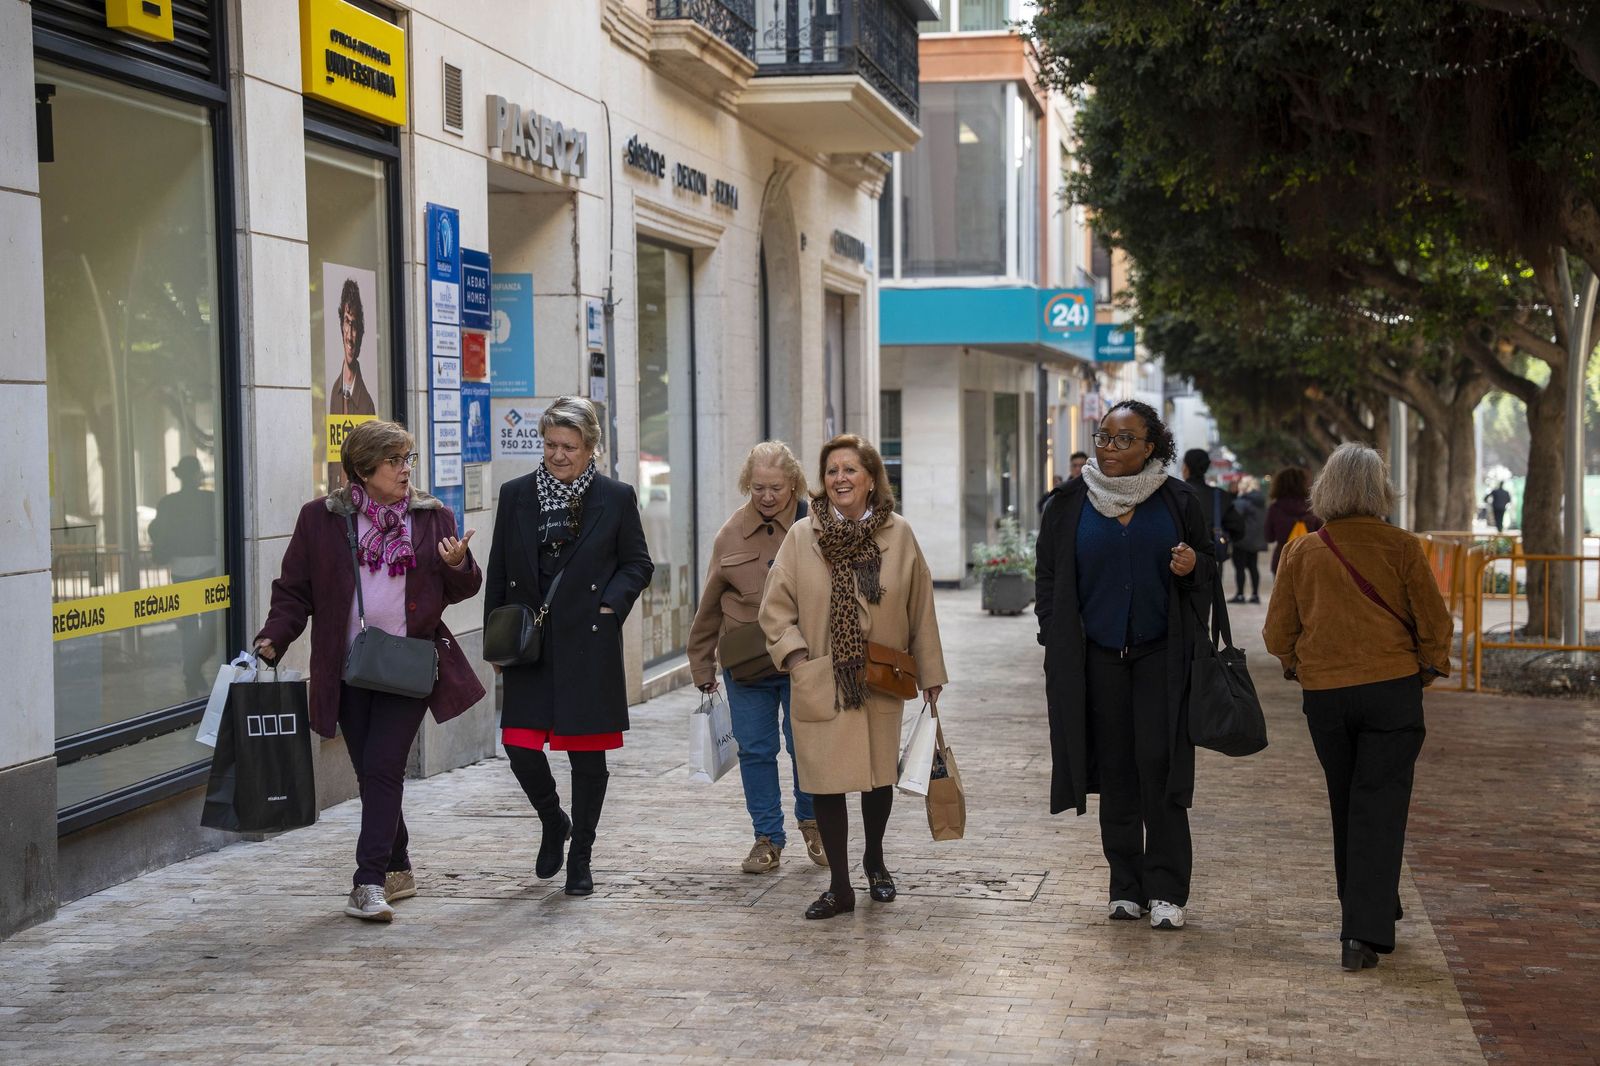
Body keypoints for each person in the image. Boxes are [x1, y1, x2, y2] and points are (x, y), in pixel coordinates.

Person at [254, 420, 484, 922]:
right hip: (349, 668)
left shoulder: (432, 516)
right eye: (394, 461)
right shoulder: (321, 519)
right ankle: (398, 866)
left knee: (383, 767)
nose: (405, 470)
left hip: (408, 665)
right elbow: (294, 589)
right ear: (362, 470)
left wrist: (457, 565)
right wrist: (274, 637)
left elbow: (462, 589)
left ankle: (368, 882)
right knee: (372, 772)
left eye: (408, 459)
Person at [1263, 443, 1453, 972]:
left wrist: (1300, 666)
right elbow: (1436, 624)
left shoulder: (1302, 552)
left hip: (1326, 696)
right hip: (1392, 688)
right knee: (1380, 803)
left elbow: (1277, 632)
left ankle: (1371, 905)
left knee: (1347, 800)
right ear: (1380, 489)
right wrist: (1425, 670)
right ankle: (1362, 932)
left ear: (1326, 489)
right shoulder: (1402, 547)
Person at [1036, 401, 1215, 931]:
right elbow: (1049, 576)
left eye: (1123, 439)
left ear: (1150, 446)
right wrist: (1053, 629)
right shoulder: (1069, 503)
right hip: (1097, 660)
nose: (1108, 448)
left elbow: (1209, 568)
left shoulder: (1179, 501)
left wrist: (1193, 566)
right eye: (1103, 437)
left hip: (1161, 657)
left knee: (1160, 768)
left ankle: (1167, 890)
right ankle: (1125, 887)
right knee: (1115, 772)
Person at [760, 434, 947, 920]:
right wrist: (797, 659)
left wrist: (930, 671)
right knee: (824, 783)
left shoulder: (899, 534)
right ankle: (840, 886)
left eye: (849, 470)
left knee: (876, 778)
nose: (839, 479)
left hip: (881, 675)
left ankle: (875, 861)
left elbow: (920, 605)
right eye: (831, 471)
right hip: (822, 677)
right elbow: (774, 608)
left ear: (870, 479)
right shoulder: (802, 536)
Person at [485, 397, 653, 897]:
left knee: (587, 758)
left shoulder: (615, 498)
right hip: (530, 645)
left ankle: (581, 857)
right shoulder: (515, 494)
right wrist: (497, 641)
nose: (558, 455)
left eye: (569, 447)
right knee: (518, 746)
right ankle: (553, 820)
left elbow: (638, 564)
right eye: (551, 444)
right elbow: (499, 568)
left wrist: (611, 605)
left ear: (590, 448)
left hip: (588, 643)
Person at [687, 442, 824, 874]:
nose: (766, 497)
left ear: (794, 484)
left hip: (803, 658)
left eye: (776, 488)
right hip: (746, 664)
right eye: (758, 487)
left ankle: (813, 821)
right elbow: (710, 603)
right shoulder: (730, 534)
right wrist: (701, 664)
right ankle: (767, 838)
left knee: (806, 745)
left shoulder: (816, 524)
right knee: (756, 750)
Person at [148, 455, 219, 693]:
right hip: (209, 567)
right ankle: (193, 668)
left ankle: (191, 671)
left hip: (180, 569)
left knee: (189, 626)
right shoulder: (210, 500)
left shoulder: (168, 503)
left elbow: (156, 531)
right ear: (197, 475)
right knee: (211, 625)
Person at [1181, 448, 1245, 563]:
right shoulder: (1219, 495)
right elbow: (1239, 528)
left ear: (1186, 467)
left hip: (1179, 560)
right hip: (1211, 561)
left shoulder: (1176, 494)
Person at [1265, 466, 1321, 573]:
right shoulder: (1313, 507)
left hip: (1282, 561)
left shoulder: (1275, 508)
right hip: (1309, 561)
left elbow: (1269, 537)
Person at [1230, 476, 1267, 604]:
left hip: (1241, 540)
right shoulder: (1260, 502)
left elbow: (1234, 519)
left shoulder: (1241, 502)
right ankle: (1255, 595)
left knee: (1239, 568)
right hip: (1255, 540)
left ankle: (1240, 595)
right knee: (1253, 567)